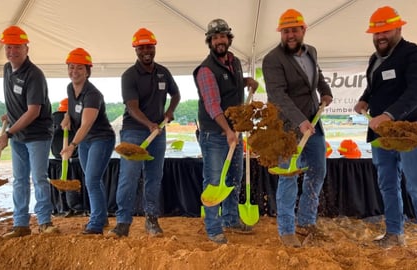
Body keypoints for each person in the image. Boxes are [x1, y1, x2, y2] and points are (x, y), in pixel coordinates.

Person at [354, 6, 417, 253]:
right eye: (376, 32)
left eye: (385, 31)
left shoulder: (414, 54)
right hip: (383, 137)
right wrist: (364, 98)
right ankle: (394, 232)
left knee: (415, 183)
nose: (380, 36)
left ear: (399, 28)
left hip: (411, 132)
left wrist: (389, 115)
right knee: (387, 184)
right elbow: (376, 86)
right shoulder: (375, 58)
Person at [262, 9, 333, 247]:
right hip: (287, 128)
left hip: (313, 124)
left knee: (318, 170)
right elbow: (278, 95)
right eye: (286, 31)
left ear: (303, 29)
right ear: (280, 33)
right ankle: (286, 229)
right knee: (288, 176)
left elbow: (316, 75)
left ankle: (306, 220)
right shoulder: (272, 59)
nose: (290, 35)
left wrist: (325, 91)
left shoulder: (311, 51)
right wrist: (299, 120)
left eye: (294, 30)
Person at [109, 28, 181, 237]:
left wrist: (169, 111)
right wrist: (150, 124)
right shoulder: (129, 76)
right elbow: (132, 107)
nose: (146, 51)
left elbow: (176, 94)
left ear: (154, 47)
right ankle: (123, 223)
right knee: (129, 177)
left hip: (157, 134)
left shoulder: (163, 72)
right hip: (134, 132)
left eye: (149, 46)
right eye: (141, 48)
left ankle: (151, 220)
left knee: (154, 177)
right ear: (136, 50)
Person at [193, 18, 258, 244]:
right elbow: (212, 105)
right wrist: (228, 131)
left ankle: (230, 218)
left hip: (235, 131)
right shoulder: (205, 70)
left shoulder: (235, 62)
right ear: (210, 42)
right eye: (215, 38)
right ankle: (213, 227)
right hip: (215, 134)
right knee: (214, 181)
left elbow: (231, 84)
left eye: (223, 36)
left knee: (233, 178)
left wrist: (246, 81)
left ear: (229, 39)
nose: (219, 41)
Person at [0, 25, 59, 238]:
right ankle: (21, 225)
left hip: (38, 135)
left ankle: (44, 222)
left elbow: (33, 111)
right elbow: (16, 100)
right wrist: (9, 114)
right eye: (8, 47)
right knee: (19, 179)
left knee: (39, 177)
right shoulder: (6, 69)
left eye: (17, 47)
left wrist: (8, 133)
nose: (12, 51)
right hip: (18, 134)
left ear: (26, 48)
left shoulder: (34, 75)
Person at [59, 48, 116, 234]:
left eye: (79, 68)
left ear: (87, 71)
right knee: (93, 179)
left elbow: (86, 124)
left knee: (91, 179)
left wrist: (72, 145)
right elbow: (73, 107)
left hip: (101, 138)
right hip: (85, 141)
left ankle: (96, 223)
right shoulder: (70, 88)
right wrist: (67, 116)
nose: (74, 71)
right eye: (71, 67)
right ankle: (102, 217)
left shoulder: (93, 94)